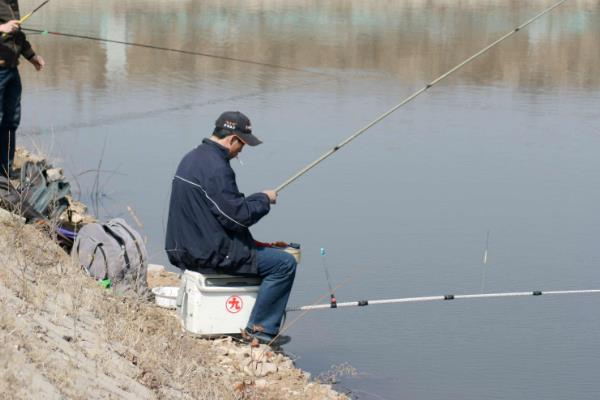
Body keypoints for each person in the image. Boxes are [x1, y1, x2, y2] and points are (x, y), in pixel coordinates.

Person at [165, 111, 296, 345]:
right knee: (283, 263)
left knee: (265, 252)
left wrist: (256, 198)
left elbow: (223, 210)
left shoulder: (191, 158)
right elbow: (236, 218)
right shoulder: (216, 168)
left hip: (183, 249)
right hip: (207, 253)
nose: (241, 151)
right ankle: (260, 331)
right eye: (242, 144)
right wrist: (264, 200)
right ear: (232, 139)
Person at [0, 0, 45, 178]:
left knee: (11, 121)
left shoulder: (11, 4)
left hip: (11, 69)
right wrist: (2, 28)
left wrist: (31, 56)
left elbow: (16, 35)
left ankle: (5, 170)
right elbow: (6, 30)